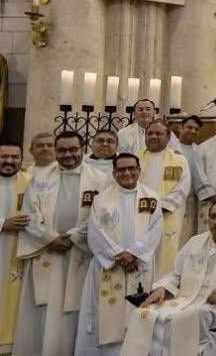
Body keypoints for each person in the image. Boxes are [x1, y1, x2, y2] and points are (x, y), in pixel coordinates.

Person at [120, 199, 216, 356]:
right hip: (184, 298)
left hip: (214, 304)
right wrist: (163, 288)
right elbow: (176, 274)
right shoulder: (195, 242)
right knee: (144, 314)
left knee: (186, 319)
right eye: (213, 216)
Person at [14, 132, 108, 355]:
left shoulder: (99, 180)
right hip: (47, 251)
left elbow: (100, 216)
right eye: (63, 150)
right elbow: (29, 214)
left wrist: (73, 236)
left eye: (73, 149)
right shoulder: (40, 178)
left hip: (80, 253)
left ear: (82, 149)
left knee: (75, 309)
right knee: (45, 311)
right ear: (56, 151)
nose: (68, 154)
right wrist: (50, 238)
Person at [74, 153, 163, 355]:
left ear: (139, 171)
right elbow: (96, 231)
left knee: (138, 314)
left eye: (131, 168)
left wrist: (135, 255)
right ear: (114, 173)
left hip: (140, 266)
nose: (127, 173)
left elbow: (155, 230)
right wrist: (119, 255)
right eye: (121, 169)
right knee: (105, 319)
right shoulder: (101, 199)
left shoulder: (151, 198)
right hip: (110, 267)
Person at [139, 120, 191, 277]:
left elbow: (182, 188)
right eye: (150, 133)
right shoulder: (135, 158)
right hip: (139, 215)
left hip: (167, 215)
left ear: (168, 138)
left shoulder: (179, 160)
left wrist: (161, 207)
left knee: (165, 256)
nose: (154, 136)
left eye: (159, 133)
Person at [0, 141, 29, 353]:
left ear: (21, 158)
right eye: (3, 156)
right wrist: (2, 224)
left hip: (16, 253)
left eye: (14, 156)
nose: (9, 161)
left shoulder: (31, 183)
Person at [175, 115, 205, 246]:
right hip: (173, 201)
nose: (192, 131)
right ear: (180, 128)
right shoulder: (171, 149)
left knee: (188, 237)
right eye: (189, 127)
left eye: (196, 129)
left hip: (192, 201)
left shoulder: (199, 150)